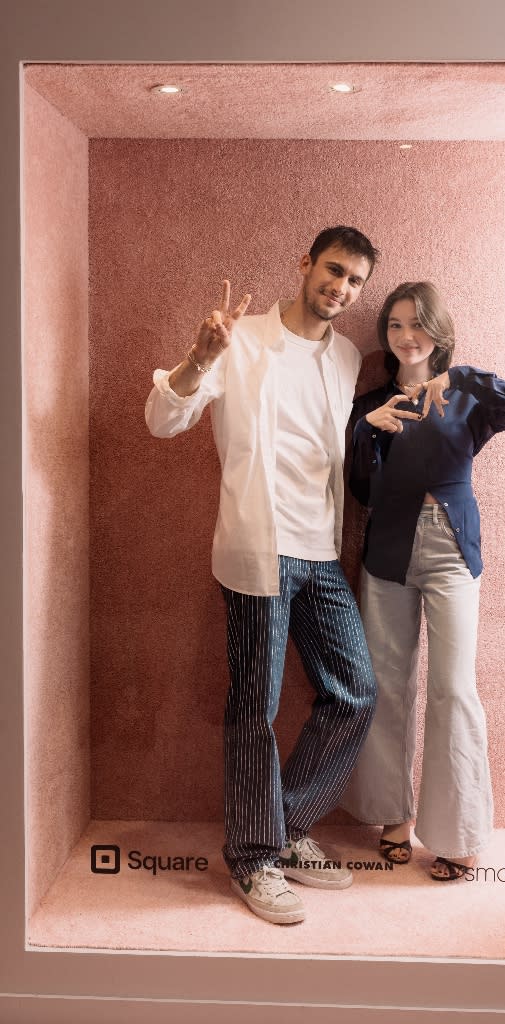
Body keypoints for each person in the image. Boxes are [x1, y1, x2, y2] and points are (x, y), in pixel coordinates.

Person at [145, 227, 379, 923]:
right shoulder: (238, 338)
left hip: (322, 552)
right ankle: (254, 860)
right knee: (254, 706)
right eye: (333, 270)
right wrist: (197, 358)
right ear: (304, 264)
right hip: (258, 548)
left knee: (356, 693)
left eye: (354, 281)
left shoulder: (343, 357)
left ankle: (284, 824)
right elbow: (163, 419)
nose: (340, 288)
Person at [340, 281, 505, 881]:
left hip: (453, 550)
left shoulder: (465, 397)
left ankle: (458, 835)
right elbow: (360, 490)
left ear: (439, 332)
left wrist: (466, 378)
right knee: (386, 685)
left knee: (453, 689)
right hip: (388, 554)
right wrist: (367, 431)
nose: (406, 337)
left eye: (417, 325)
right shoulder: (371, 402)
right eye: (396, 326)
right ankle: (392, 815)